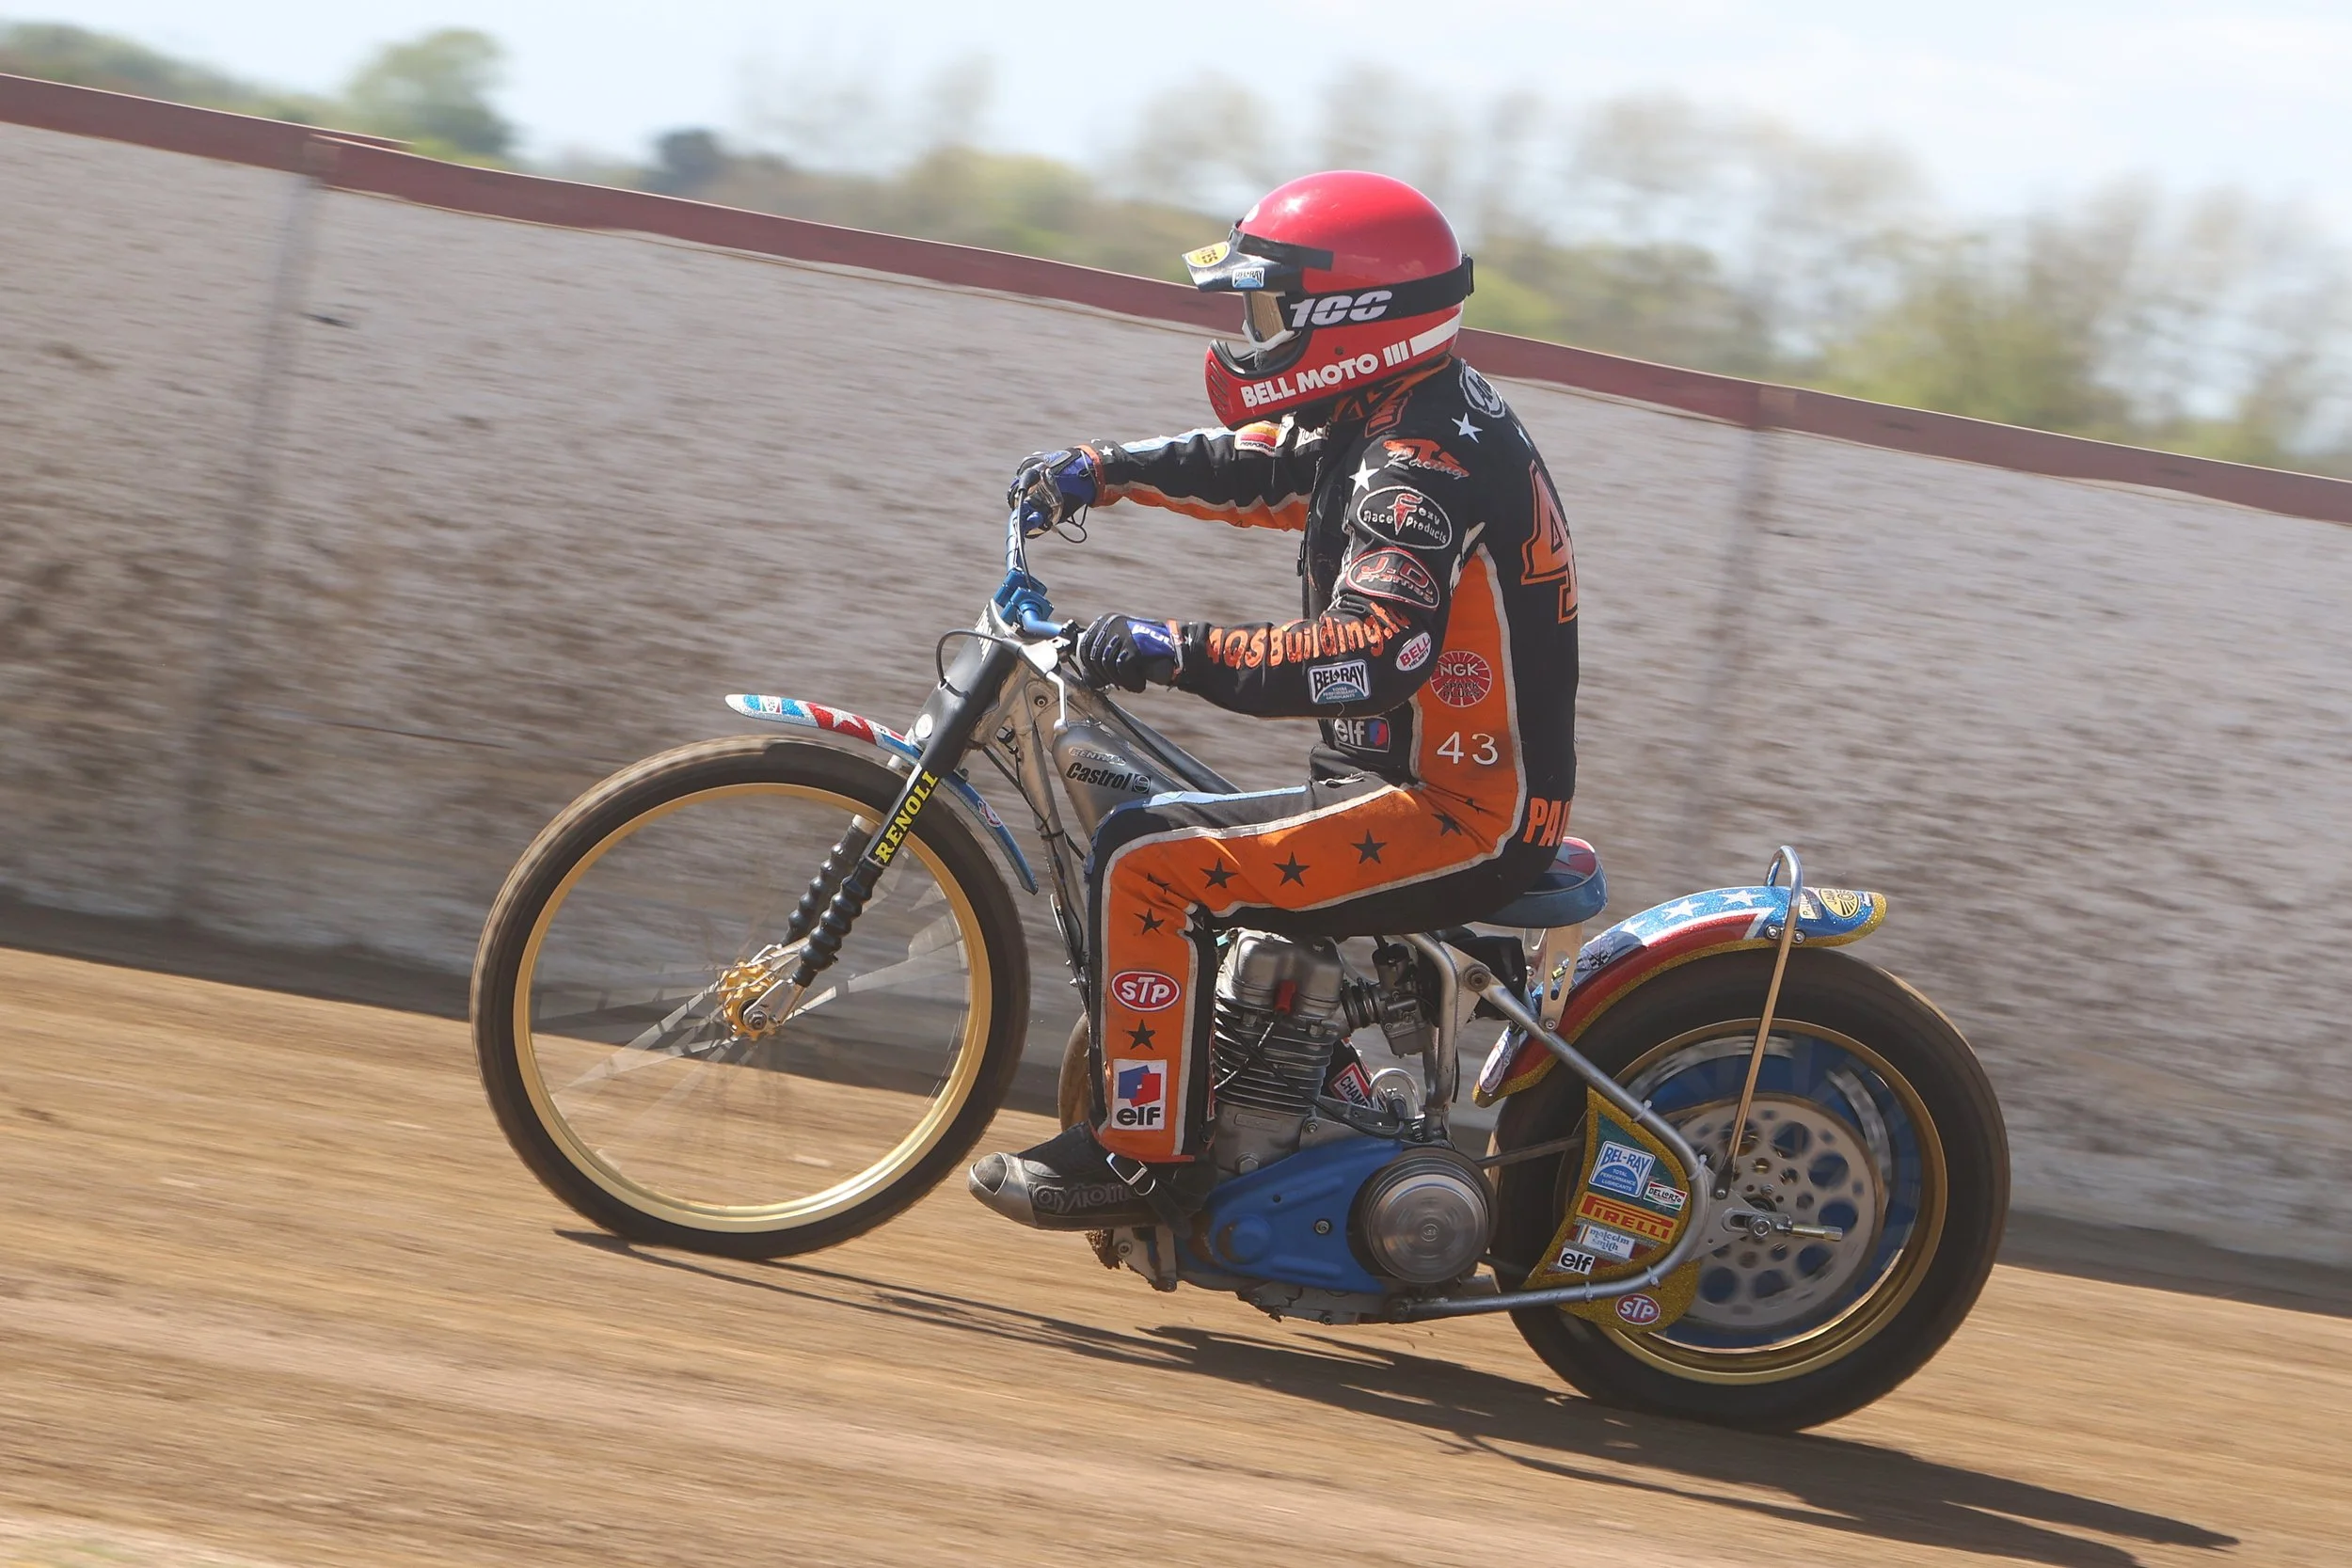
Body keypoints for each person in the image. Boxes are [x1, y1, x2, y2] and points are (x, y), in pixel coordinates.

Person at [968, 169, 1581, 1230]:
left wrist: (1174, 646)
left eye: (1269, 309)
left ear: (1350, 320)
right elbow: (1265, 468)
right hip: (1403, 778)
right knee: (1171, 824)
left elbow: (1372, 653)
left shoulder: (1416, 465)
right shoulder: (1393, 410)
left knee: (1146, 861)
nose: (1250, 335)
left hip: (1455, 812)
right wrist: (1099, 470)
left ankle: (1142, 1158)